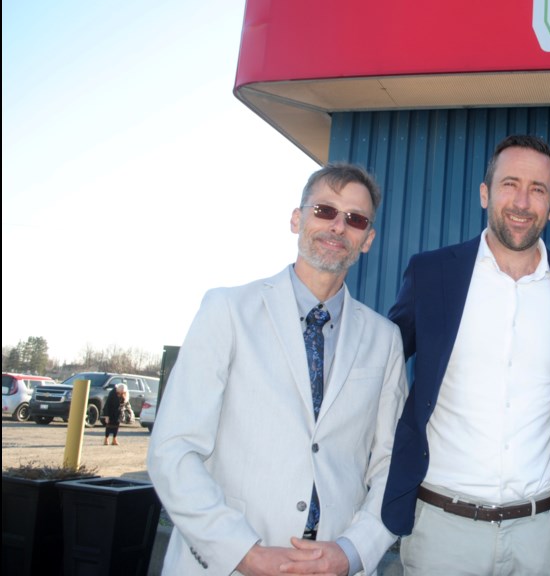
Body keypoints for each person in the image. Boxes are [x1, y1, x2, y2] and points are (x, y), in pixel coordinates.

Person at [147, 164, 408, 576]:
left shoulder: (384, 338)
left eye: (355, 219)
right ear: (296, 218)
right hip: (229, 566)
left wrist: (353, 551)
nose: (338, 227)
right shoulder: (227, 311)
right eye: (325, 210)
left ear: (368, 239)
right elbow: (174, 450)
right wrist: (244, 553)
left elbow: (390, 463)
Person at [381, 134, 550, 575]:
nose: (522, 201)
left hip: (537, 536)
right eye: (509, 184)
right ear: (484, 193)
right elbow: (378, 364)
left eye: (537, 189)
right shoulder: (432, 273)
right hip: (442, 532)